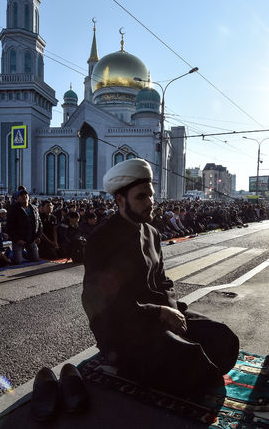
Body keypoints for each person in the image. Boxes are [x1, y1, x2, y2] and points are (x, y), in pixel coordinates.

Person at [82, 158, 239, 397]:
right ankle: (121, 363)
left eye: (151, 195)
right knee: (193, 362)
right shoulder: (101, 239)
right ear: (120, 200)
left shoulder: (152, 232)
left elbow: (163, 282)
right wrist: (159, 313)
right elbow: (100, 303)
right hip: (123, 326)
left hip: (161, 315)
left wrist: (174, 314)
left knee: (223, 338)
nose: (150, 203)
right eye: (141, 197)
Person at [6, 190, 42, 264]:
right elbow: (10, 227)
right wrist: (17, 239)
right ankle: (10, 253)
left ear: (29, 197)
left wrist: (38, 236)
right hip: (19, 239)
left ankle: (22, 253)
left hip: (31, 239)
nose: (24, 197)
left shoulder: (34, 208)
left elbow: (40, 223)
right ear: (17, 198)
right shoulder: (13, 209)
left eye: (26, 195)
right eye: (21, 195)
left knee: (35, 259)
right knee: (17, 261)